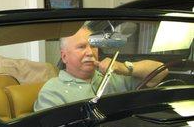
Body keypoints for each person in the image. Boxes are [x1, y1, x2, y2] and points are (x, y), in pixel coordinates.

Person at [34, 26, 166, 111]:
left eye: (93, 46)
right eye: (81, 47)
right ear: (64, 57)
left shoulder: (114, 77)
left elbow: (161, 71)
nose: (90, 53)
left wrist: (124, 68)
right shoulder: (52, 92)